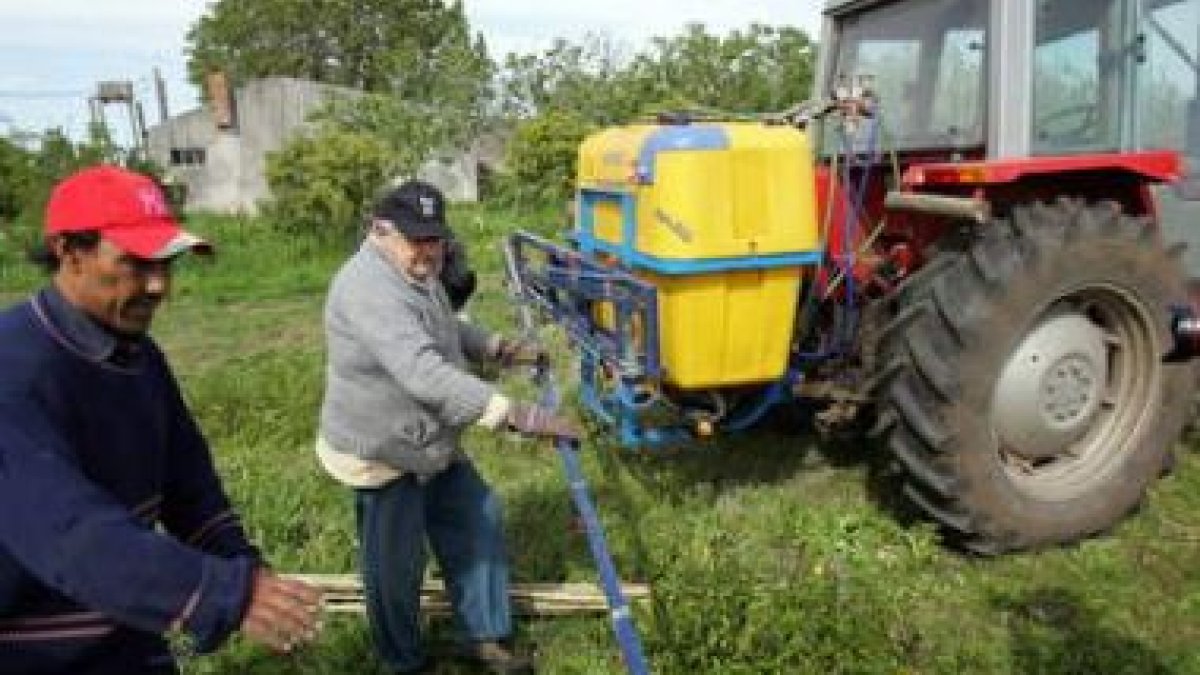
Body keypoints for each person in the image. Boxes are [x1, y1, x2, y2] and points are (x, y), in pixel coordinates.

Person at [0, 165, 323, 674]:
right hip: (37, 651)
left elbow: (188, 486)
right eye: (135, 263)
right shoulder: (15, 371)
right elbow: (75, 536)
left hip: (130, 638)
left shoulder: (136, 355)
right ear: (69, 252)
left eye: (168, 263)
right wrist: (222, 593)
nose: (159, 286)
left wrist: (246, 570)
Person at [317, 179, 577, 674]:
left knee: (478, 517)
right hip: (382, 447)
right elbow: (423, 372)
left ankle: (482, 637)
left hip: (428, 437)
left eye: (435, 238)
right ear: (380, 231)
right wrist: (516, 415)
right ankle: (403, 662)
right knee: (395, 569)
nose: (430, 250)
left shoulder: (415, 267)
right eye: (417, 239)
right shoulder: (366, 288)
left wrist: (495, 347)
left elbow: (442, 324)